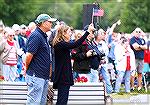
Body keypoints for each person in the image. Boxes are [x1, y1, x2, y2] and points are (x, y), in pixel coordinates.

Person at [52, 24, 95, 105]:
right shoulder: (60, 44)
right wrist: (87, 32)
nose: (71, 33)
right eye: (69, 32)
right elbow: (76, 44)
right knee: (62, 101)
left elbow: (75, 42)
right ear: (63, 33)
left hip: (64, 76)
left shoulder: (62, 44)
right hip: (63, 77)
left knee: (63, 100)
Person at [25, 14, 56, 104]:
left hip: (42, 76)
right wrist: (27, 69)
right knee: (34, 102)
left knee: (41, 102)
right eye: (50, 22)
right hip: (36, 76)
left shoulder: (42, 35)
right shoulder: (36, 36)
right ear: (43, 23)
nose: (51, 24)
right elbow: (28, 56)